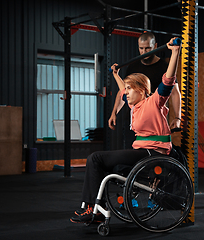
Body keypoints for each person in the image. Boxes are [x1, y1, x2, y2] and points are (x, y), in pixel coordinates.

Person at [70, 38, 183, 224]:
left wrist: (175, 53)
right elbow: (121, 89)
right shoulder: (135, 106)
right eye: (127, 89)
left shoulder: (155, 102)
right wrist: (116, 74)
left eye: (131, 89)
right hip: (142, 151)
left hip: (153, 152)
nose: (126, 93)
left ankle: (93, 208)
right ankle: (95, 208)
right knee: (98, 162)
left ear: (141, 90)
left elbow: (168, 80)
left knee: (95, 158)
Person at [108, 32, 181, 149]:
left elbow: (173, 89)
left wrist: (177, 117)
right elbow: (123, 91)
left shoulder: (163, 67)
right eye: (141, 48)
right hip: (135, 119)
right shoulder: (133, 67)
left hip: (153, 118)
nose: (144, 51)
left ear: (155, 46)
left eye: (148, 48)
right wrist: (114, 112)